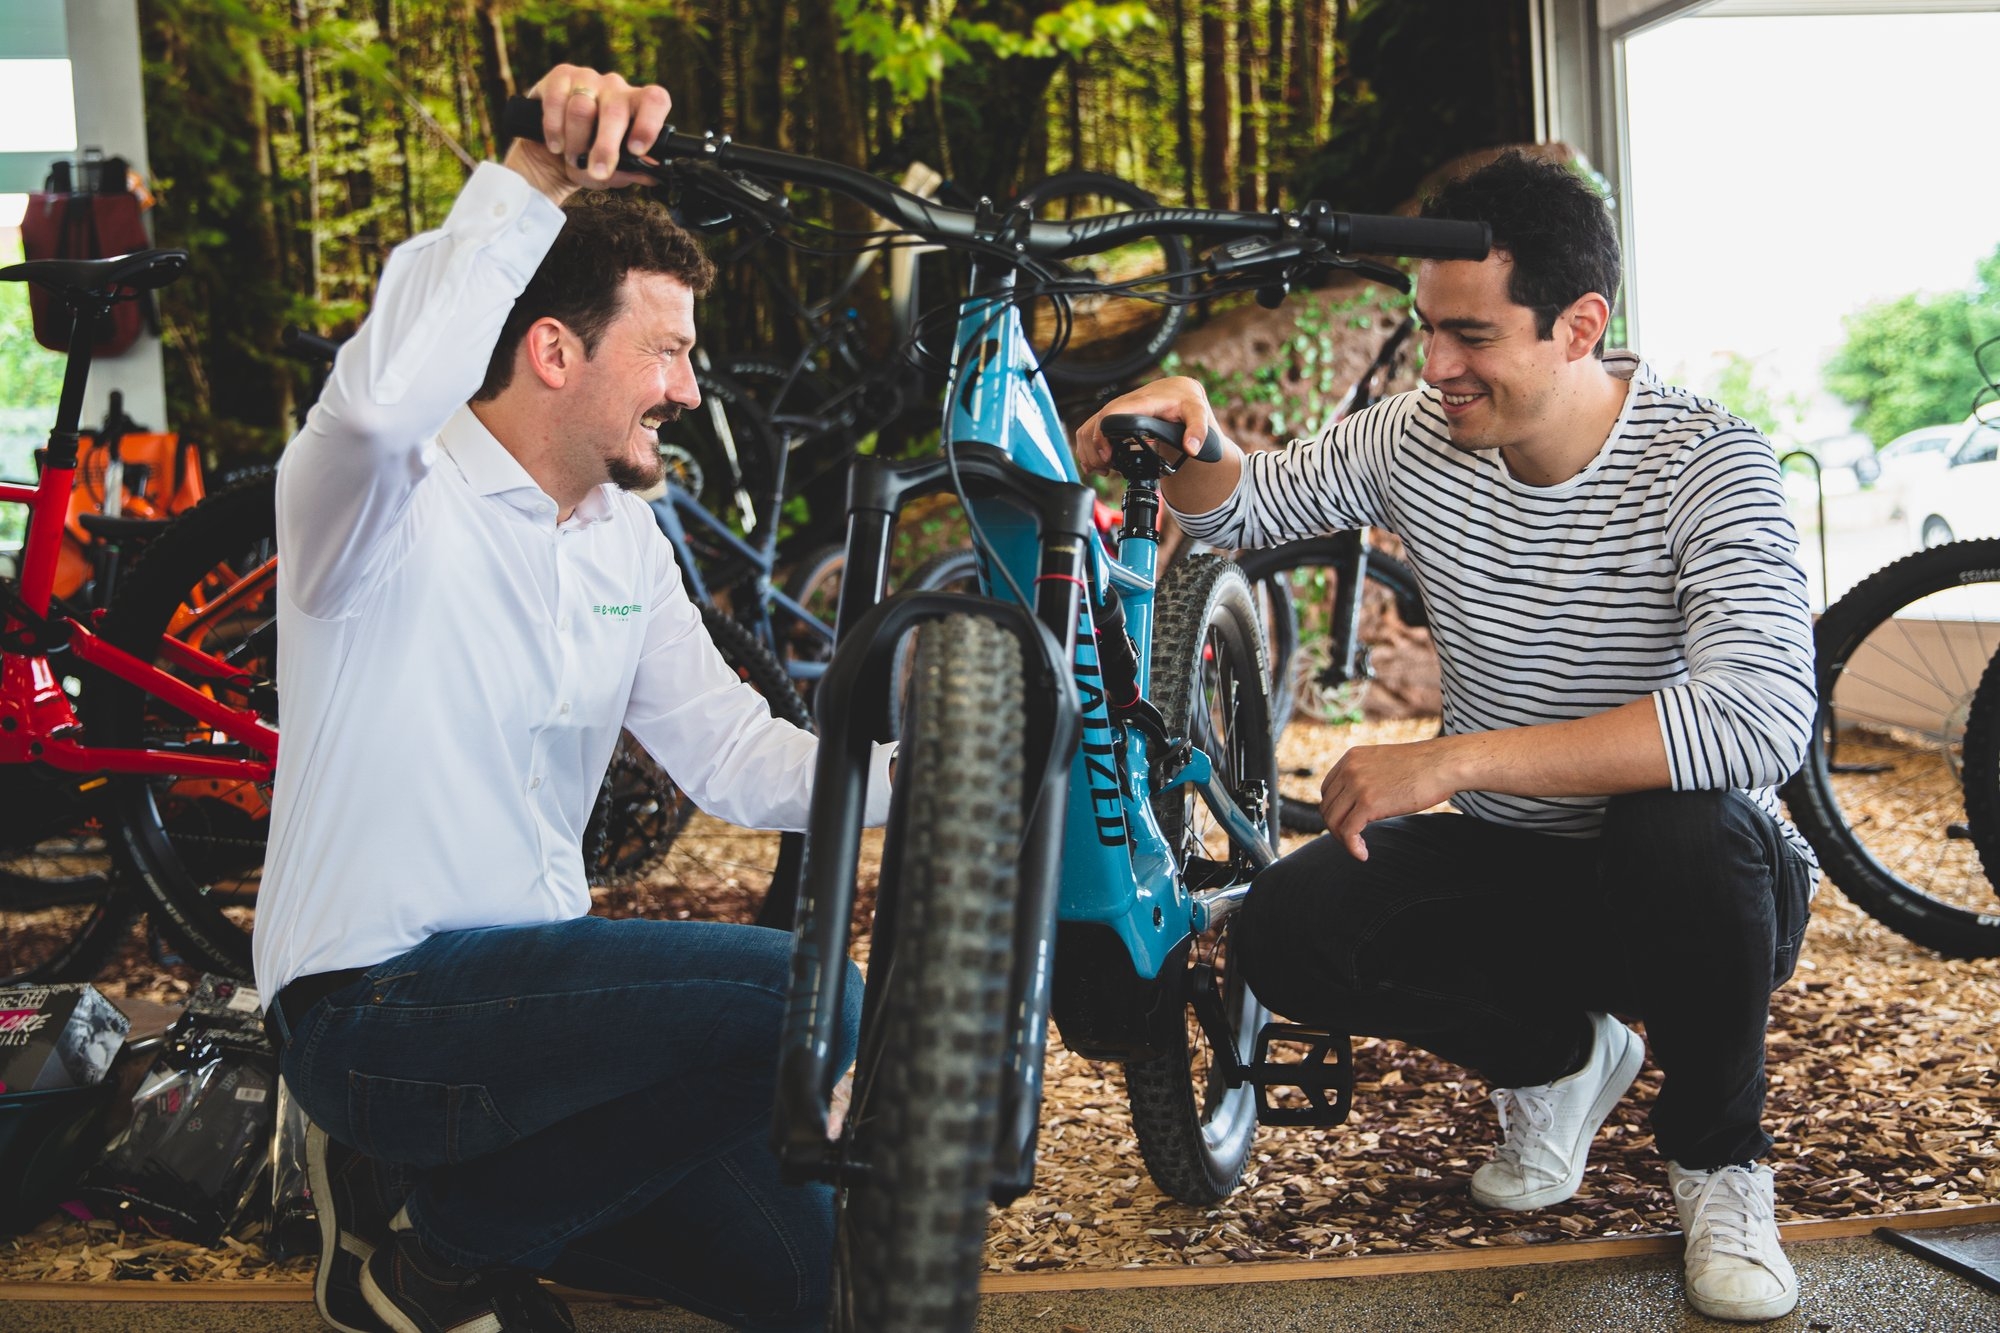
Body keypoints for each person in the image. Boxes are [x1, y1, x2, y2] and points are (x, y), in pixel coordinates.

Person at [1073, 151, 1815, 1324]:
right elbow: (1247, 505)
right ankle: (1558, 1057)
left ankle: (1720, 1166)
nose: (1439, 368)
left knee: (1683, 823)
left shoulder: (1709, 464)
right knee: (1287, 936)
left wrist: (1451, 759)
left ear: (1578, 327)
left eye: (1470, 336)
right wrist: (1192, 435)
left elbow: (1754, 715)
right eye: (1428, 332)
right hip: (1518, 861)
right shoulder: (1423, 434)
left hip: (1696, 890)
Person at [255, 65, 892, 1333]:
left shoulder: (620, 540)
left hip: (534, 1022)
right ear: (553, 348)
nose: (690, 390)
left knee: (802, 1274)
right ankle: (434, 1256)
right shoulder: (384, 501)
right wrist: (528, 185)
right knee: (802, 999)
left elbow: (736, 754)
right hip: (375, 1009)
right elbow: (377, 408)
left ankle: (428, 1202)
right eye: (666, 352)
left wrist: (950, 772)